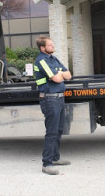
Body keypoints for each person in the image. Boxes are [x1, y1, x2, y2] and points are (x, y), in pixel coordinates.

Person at [34, 36, 72, 175]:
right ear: (42, 48)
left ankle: (55, 158)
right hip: (50, 100)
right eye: (50, 45)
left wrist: (59, 73)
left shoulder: (53, 59)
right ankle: (47, 163)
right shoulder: (41, 61)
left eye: (52, 44)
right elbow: (56, 78)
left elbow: (69, 75)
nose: (53, 46)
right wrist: (59, 74)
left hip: (59, 99)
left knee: (59, 129)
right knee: (52, 132)